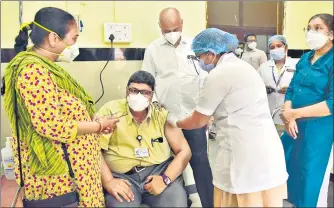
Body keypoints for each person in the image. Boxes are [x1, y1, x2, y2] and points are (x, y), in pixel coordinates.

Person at [2, 7, 120, 207]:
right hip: (61, 178)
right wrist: (98, 127)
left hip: (79, 169)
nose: (75, 44)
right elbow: (51, 125)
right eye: (74, 38)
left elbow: (65, 113)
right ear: (54, 38)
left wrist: (94, 121)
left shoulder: (49, 68)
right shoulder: (33, 72)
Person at [174, 28, 288, 207]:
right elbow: (236, 105)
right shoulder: (243, 67)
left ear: (211, 53)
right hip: (267, 151)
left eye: (199, 56)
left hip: (243, 154)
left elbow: (198, 120)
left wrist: (175, 122)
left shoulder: (219, 74)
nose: (199, 61)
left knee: (241, 199)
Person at [141, 7, 213, 207]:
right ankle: (181, 200)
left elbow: (206, 79)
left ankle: (209, 203)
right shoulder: (153, 49)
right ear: (160, 28)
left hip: (193, 117)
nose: (171, 33)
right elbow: (148, 82)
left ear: (182, 23)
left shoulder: (195, 46)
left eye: (174, 28)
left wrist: (207, 111)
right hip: (166, 119)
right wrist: (155, 109)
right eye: (166, 30)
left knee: (200, 163)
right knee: (169, 164)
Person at [97, 71, 191, 207]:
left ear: (152, 95)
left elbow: (184, 151)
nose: (138, 96)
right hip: (123, 177)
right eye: (134, 90)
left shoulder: (161, 114)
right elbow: (93, 150)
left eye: (145, 92)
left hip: (159, 172)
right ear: (126, 91)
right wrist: (109, 181)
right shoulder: (110, 111)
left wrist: (165, 179)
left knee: (176, 204)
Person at [280, 13, 333, 207]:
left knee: (310, 174)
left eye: (318, 28)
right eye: (309, 28)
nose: (311, 32)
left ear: (332, 34)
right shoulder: (305, 58)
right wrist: (288, 115)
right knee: (288, 166)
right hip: (293, 125)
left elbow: (331, 104)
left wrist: (293, 114)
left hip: (319, 130)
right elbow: (292, 89)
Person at [258, 35, 298, 135]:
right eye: (272, 47)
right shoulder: (264, 67)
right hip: (269, 110)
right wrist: (263, 89)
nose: (275, 49)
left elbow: (304, 86)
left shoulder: (296, 65)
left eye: (279, 45)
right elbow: (256, 86)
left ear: (286, 47)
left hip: (290, 110)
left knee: (289, 140)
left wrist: (292, 89)